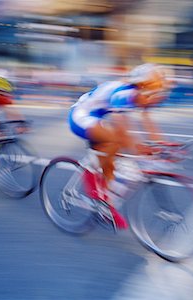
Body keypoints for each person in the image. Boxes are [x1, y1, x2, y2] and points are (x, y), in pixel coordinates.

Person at [68, 63, 170, 229]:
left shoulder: (142, 96)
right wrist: (140, 149)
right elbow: (122, 128)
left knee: (120, 154)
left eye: (159, 88)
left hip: (97, 118)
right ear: (142, 85)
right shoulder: (124, 92)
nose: (157, 93)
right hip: (81, 115)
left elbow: (148, 122)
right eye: (154, 87)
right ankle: (96, 185)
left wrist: (162, 146)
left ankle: (104, 198)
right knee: (114, 140)